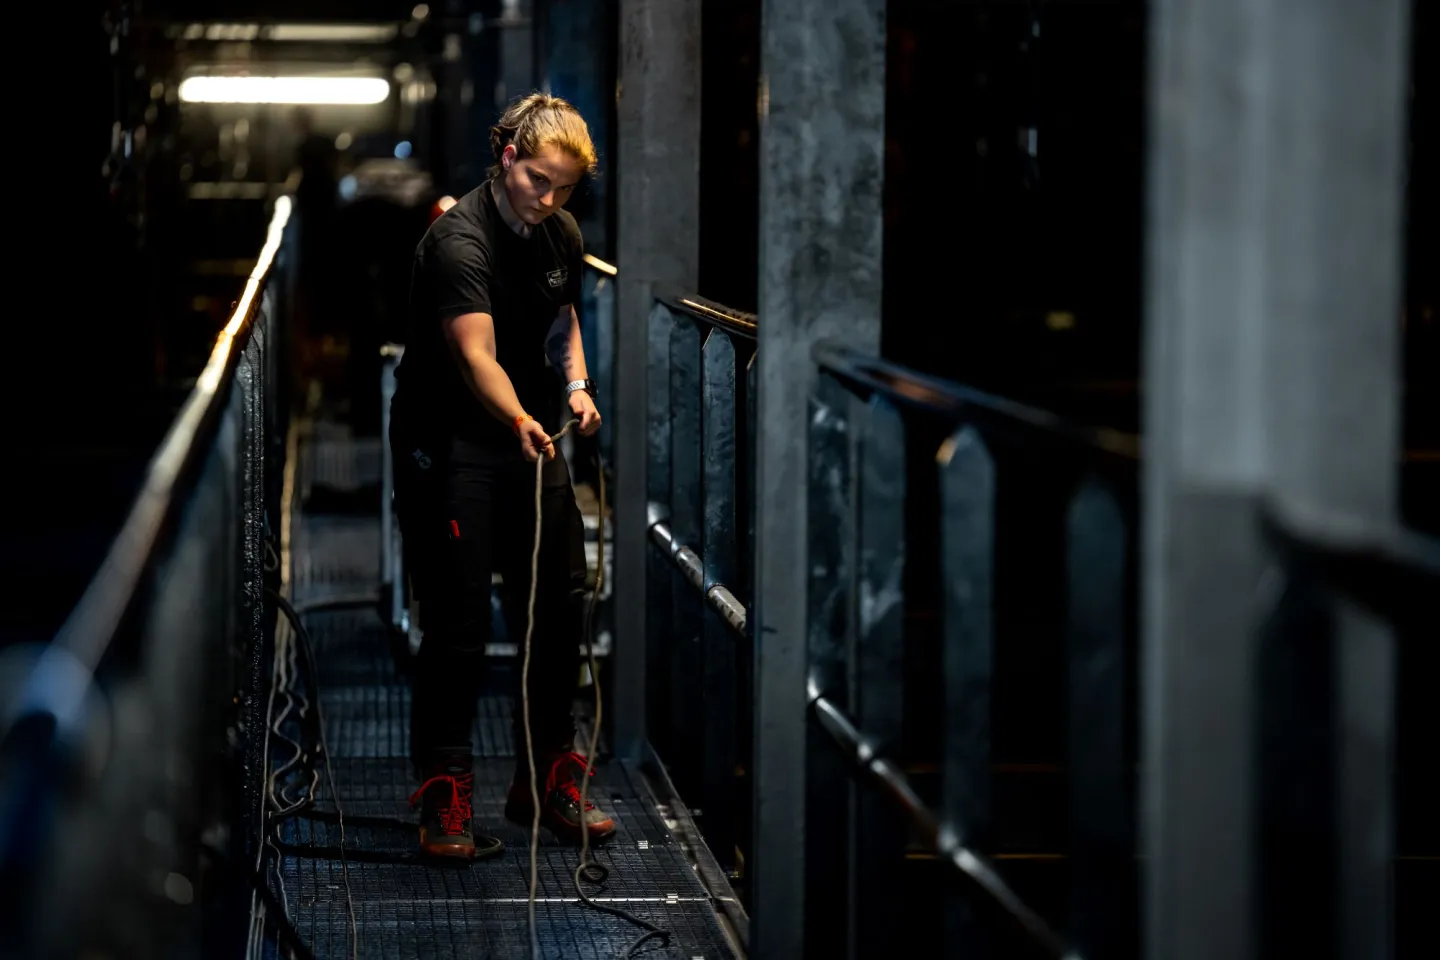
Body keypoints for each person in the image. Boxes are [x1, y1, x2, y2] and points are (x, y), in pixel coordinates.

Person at [388, 92, 612, 859]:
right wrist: (518, 416)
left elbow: (561, 318)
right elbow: (476, 354)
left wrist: (576, 385)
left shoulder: (559, 234)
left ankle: (546, 777)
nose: (550, 199)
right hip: (453, 444)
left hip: (530, 440)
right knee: (457, 621)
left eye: (566, 189)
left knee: (559, 603)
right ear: (508, 157)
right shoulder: (460, 242)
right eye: (539, 181)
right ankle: (444, 796)